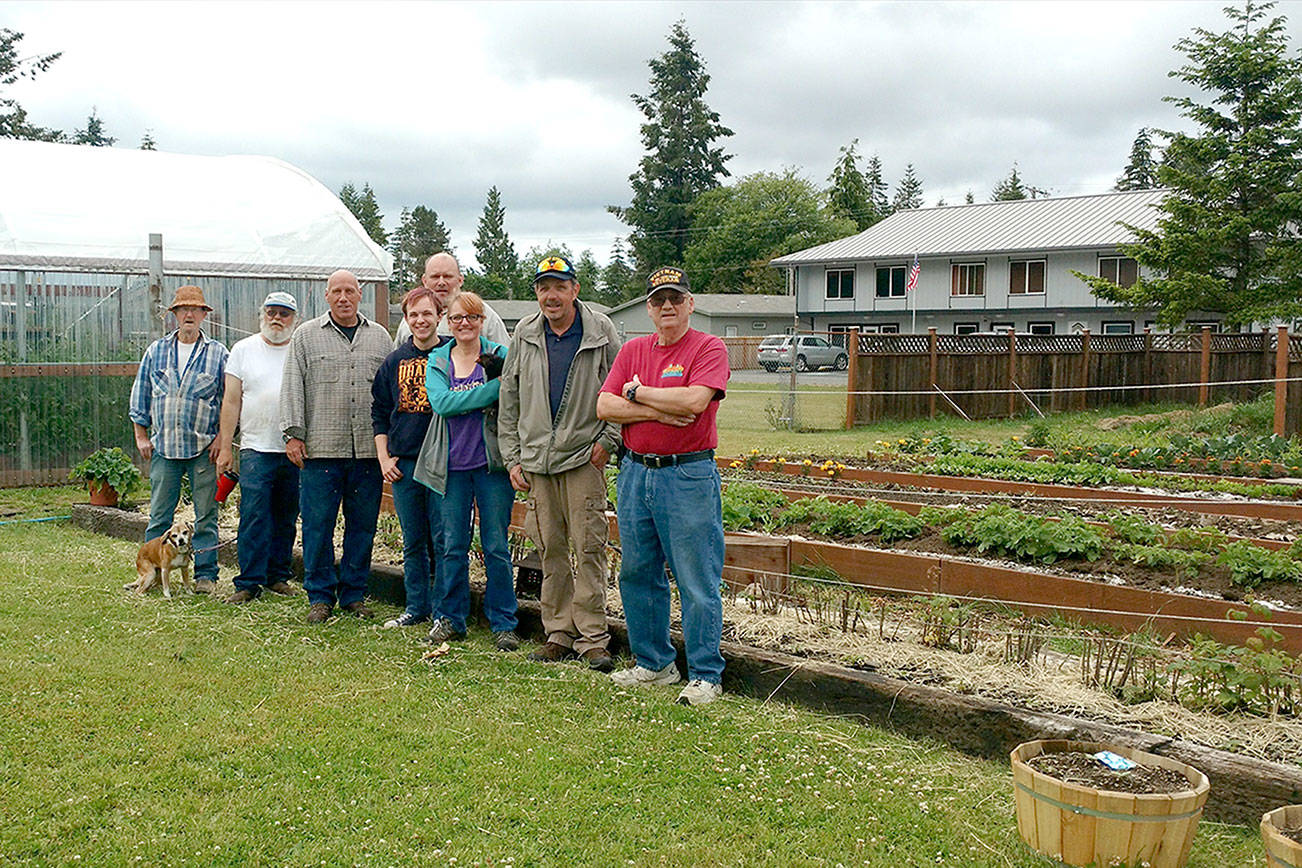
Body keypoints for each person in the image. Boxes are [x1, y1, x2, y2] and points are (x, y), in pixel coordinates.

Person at [596, 266, 730, 706]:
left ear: (690, 303)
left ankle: (706, 674)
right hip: (635, 472)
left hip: (687, 475)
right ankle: (654, 664)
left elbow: (694, 402)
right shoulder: (633, 349)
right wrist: (655, 408)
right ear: (649, 309)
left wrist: (637, 394)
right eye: (658, 301)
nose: (667, 307)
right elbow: (604, 405)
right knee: (638, 572)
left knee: (696, 577)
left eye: (675, 299)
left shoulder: (709, 347)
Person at [498, 255, 621, 671]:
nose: (551, 295)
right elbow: (509, 397)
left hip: (583, 456)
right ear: (537, 292)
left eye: (559, 286)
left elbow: (620, 386)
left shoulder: (600, 330)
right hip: (537, 461)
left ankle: (592, 638)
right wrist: (512, 456)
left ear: (575, 289)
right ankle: (558, 634)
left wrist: (610, 439)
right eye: (543, 287)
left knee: (588, 547)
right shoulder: (525, 333)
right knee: (549, 548)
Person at [280, 270, 392, 624]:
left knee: (362, 526)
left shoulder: (381, 339)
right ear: (326, 296)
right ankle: (320, 596)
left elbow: (390, 393)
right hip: (321, 451)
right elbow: (292, 387)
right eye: (337, 292)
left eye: (350, 291)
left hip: (367, 453)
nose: (344, 298)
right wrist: (293, 435)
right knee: (317, 526)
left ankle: (354, 595)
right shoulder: (306, 336)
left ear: (360, 295)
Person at [413, 291, 519, 651]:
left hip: (492, 466)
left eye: (471, 318)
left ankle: (503, 621)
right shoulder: (439, 360)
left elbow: (516, 393)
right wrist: (493, 390)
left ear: (482, 321)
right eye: (456, 318)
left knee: (496, 546)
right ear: (448, 322)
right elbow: (442, 403)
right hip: (452, 467)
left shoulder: (501, 356)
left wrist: (493, 390)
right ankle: (450, 618)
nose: (463, 324)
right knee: (452, 546)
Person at [129, 285, 229, 595]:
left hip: (203, 449)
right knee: (160, 515)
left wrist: (222, 439)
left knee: (206, 515)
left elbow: (230, 401)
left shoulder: (218, 353)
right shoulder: (156, 351)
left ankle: (206, 576)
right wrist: (141, 435)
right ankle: (157, 571)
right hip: (164, 448)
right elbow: (141, 394)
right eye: (182, 309)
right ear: (174, 315)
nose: (188, 314)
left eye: (194, 309)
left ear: (203, 315)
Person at [371, 286, 448, 628]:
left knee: (446, 541)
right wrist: (384, 458)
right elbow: (380, 412)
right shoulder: (394, 361)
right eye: (414, 315)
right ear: (406, 320)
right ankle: (417, 607)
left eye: (427, 313)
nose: (421, 320)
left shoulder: (452, 354)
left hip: (444, 463)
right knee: (414, 540)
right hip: (405, 463)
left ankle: (446, 611)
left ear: (439, 316)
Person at [217, 291, 301, 604]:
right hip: (254, 447)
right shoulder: (242, 350)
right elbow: (231, 400)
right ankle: (248, 582)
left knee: (286, 514)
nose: (277, 318)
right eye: (272, 312)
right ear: (261, 314)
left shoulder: (299, 349)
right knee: (253, 514)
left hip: (293, 448)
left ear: (295, 319)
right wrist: (227, 447)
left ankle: (278, 575)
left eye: (284, 313)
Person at [393, 252, 510, 346]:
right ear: (424, 281)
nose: (441, 282)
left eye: (448, 276)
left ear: (460, 280)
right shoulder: (412, 319)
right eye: (435, 277)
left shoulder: (482, 314)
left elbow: (507, 361)